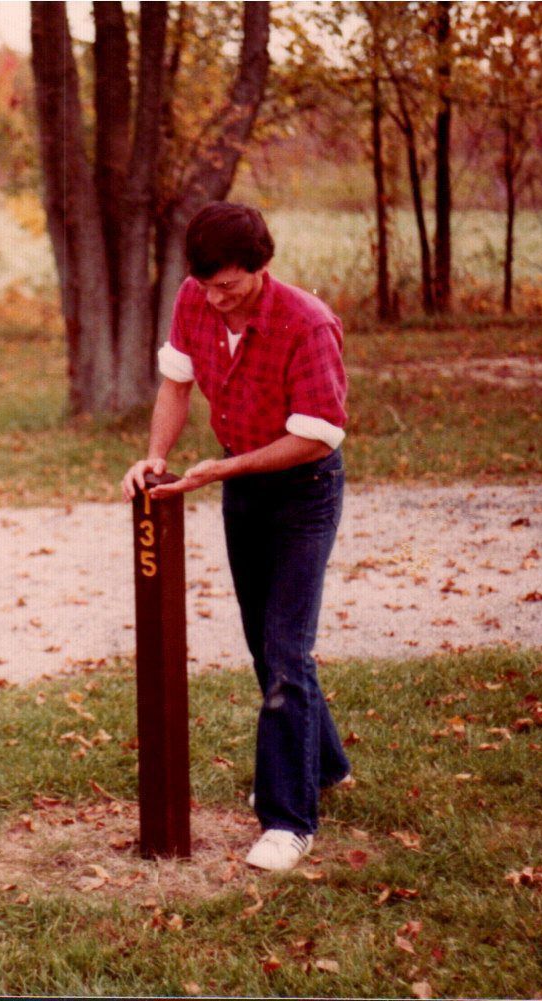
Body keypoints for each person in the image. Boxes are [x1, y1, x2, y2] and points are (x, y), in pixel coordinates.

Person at [120, 202, 352, 872]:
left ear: (261, 265)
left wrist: (225, 468)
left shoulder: (306, 322)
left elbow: (317, 436)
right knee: (264, 642)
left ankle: (288, 820)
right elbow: (176, 385)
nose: (216, 299)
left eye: (228, 285)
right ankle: (323, 765)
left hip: (303, 487)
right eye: (206, 285)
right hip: (242, 483)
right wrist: (155, 456)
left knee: (285, 649)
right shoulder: (194, 299)